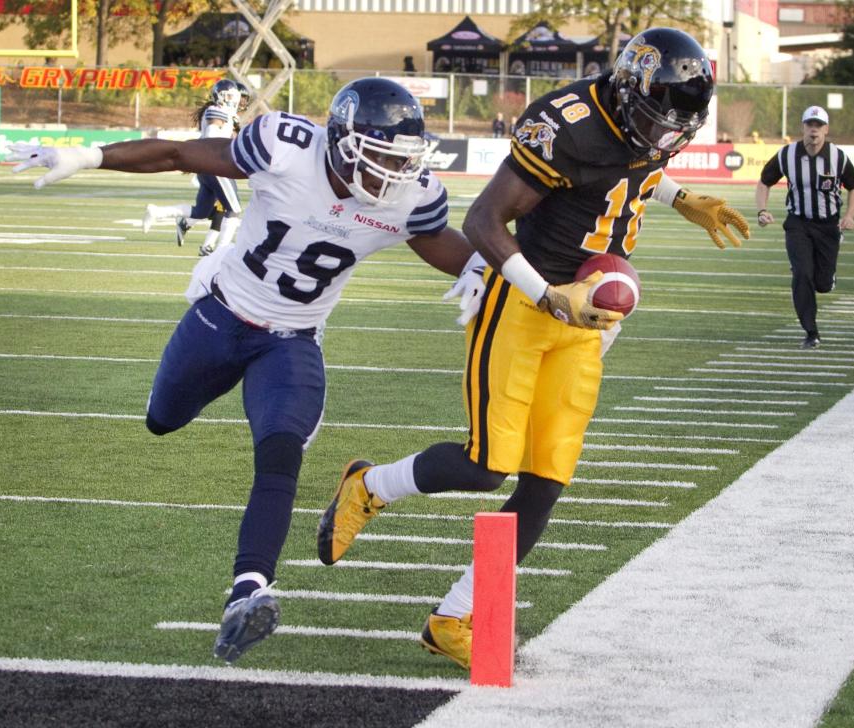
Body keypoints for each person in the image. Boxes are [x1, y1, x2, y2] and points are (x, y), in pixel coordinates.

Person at [316, 27, 750, 669]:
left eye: (678, 123)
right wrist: (549, 295)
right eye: (660, 117)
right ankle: (369, 484)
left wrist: (681, 197)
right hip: (523, 300)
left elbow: (633, 165)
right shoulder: (565, 123)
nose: (667, 134)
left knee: (547, 477)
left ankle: (454, 619)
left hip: (587, 317)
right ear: (630, 92)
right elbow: (482, 220)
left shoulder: (645, 125)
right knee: (487, 464)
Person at [7, 77, 475, 663]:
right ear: (342, 142)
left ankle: (248, 591)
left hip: (291, 342)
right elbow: (180, 154)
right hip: (222, 318)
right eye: (380, 156)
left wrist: (493, 273)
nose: (391, 174)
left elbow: (444, 244)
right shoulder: (284, 147)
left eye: (401, 161)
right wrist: (91, 154)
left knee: (280, 456)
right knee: (161, 419)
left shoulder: (410, 198)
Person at [756, 105, 854, 348]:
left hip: (828, 226)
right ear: (803, 127)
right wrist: (762, 210)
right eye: (809, 125)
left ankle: (827, 277)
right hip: (798, 224)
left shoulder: (838, 156)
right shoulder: (787, 155)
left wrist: (850, 215)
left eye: (818, 125)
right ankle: (811, 332)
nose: (814, 130)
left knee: (823, 284)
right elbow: (764, 182)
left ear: (826, 129)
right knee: (802, 274)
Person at [141, 79, 246, 257]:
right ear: (219, 96)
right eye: (228, 96)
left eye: (232, 96)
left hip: (207, 167)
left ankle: (158, 212)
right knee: (234, 210)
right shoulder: (217, 111)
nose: (232, 100)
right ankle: (221, 251)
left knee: (201, 211)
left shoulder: (223, 113)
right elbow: (212, 136)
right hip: (216, 165)